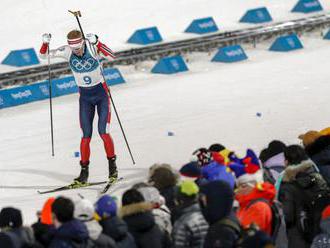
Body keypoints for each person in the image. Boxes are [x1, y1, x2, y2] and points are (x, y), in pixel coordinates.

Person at [39, 30, 117, 184]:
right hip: (85, 98)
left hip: (101, 95)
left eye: (78, 48)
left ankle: (112, 169)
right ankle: (84, 173)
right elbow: (44, 56)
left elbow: (112, 56)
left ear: (82, 43)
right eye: (73, 49)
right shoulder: (68, 51)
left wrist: (97, 42)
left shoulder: (92, 47)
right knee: (85, 136)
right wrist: (45, 43)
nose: (77, 51)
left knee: (104, 132)